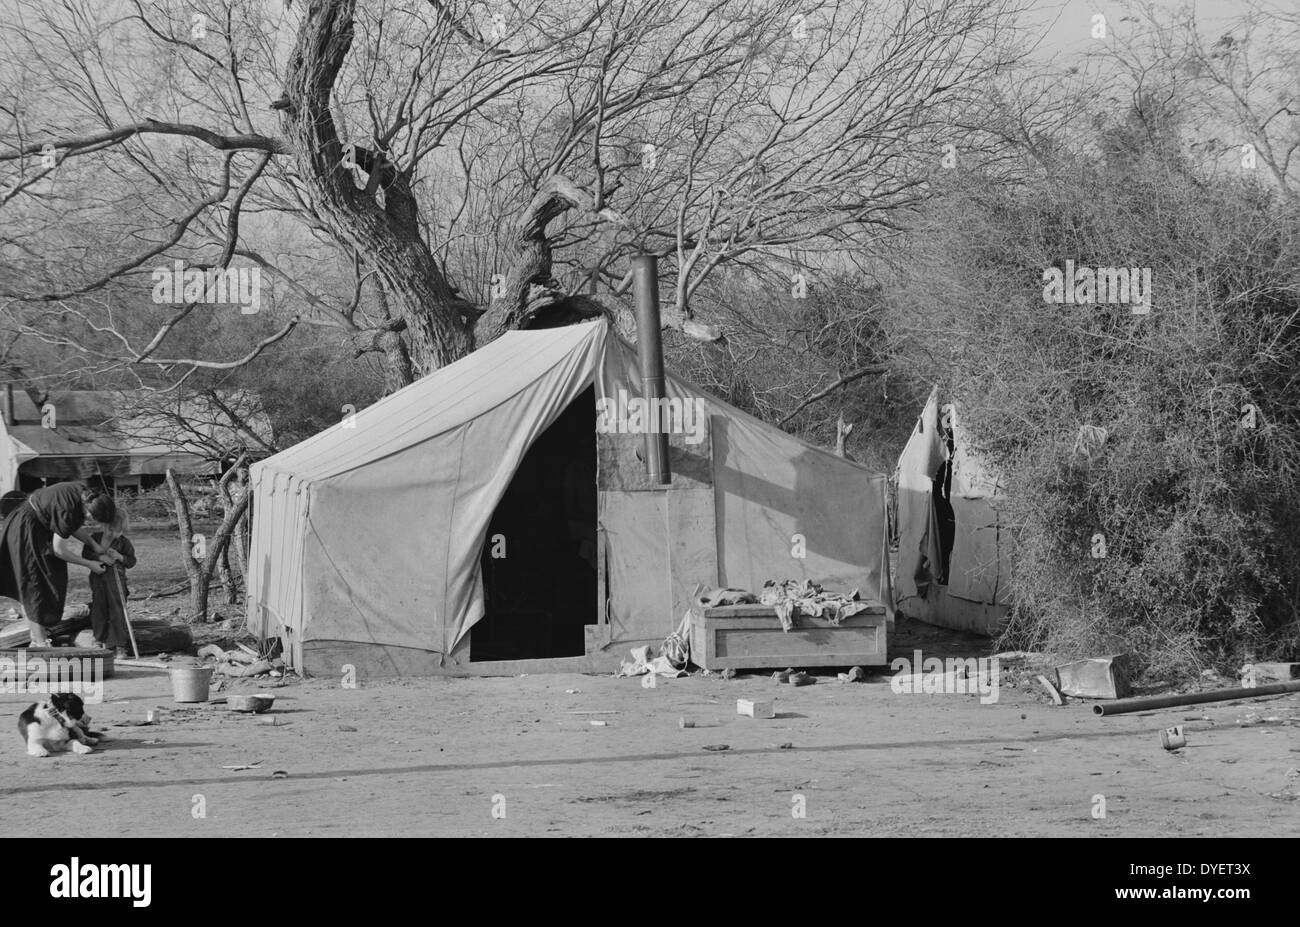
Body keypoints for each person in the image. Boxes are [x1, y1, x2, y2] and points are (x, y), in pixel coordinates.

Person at [0, 481, 121, 647]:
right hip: (25, 530)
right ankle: (41, 643)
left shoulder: (84, 494)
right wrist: (89, 564)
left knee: (43, 580)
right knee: (35, 585)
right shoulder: (69, 510)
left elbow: (72, 526)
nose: (91, 522)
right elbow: (59, 550)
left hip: (36, 525)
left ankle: (37, 636)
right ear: (89, 512)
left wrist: (95, 545)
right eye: (93, 520)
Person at [82, 509, 136, 654]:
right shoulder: (95, 538)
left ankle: (119, 644)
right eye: (110, 529)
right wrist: (99, 558)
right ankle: (99, 640)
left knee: (117, 612)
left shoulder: (124, 542)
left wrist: (119, 556)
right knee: (98, 610)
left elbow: (131, 561)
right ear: (103, 525)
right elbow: (85, 553)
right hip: (98, 581)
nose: (113, 534)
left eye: (117, 531)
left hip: (117, 582)